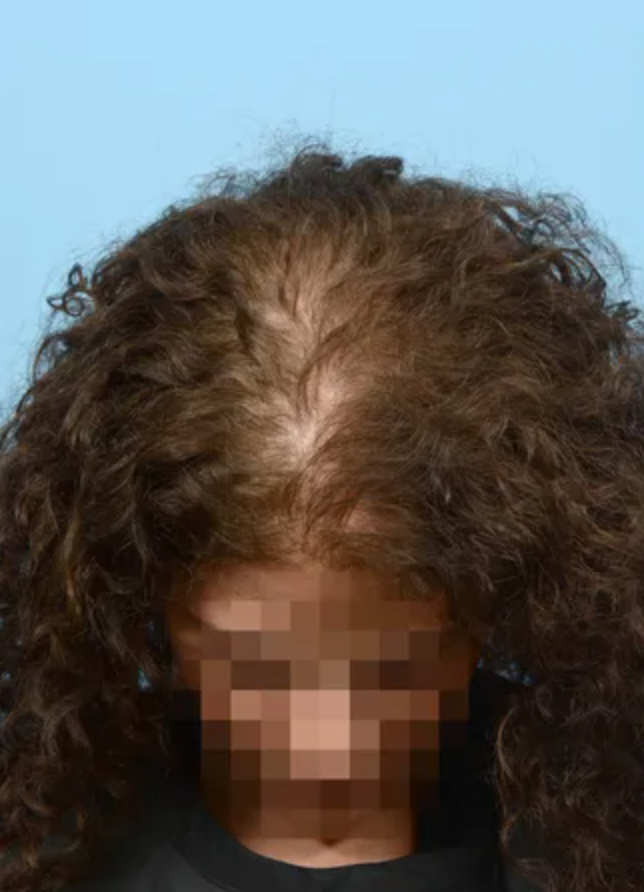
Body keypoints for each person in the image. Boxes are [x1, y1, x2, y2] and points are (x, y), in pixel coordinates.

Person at [0, 143, 642, 892]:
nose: (325, 753)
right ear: (138, 590)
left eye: (392, 669)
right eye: (255, 667)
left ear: (505, 595)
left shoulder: (612, 834)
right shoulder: (36, 844)